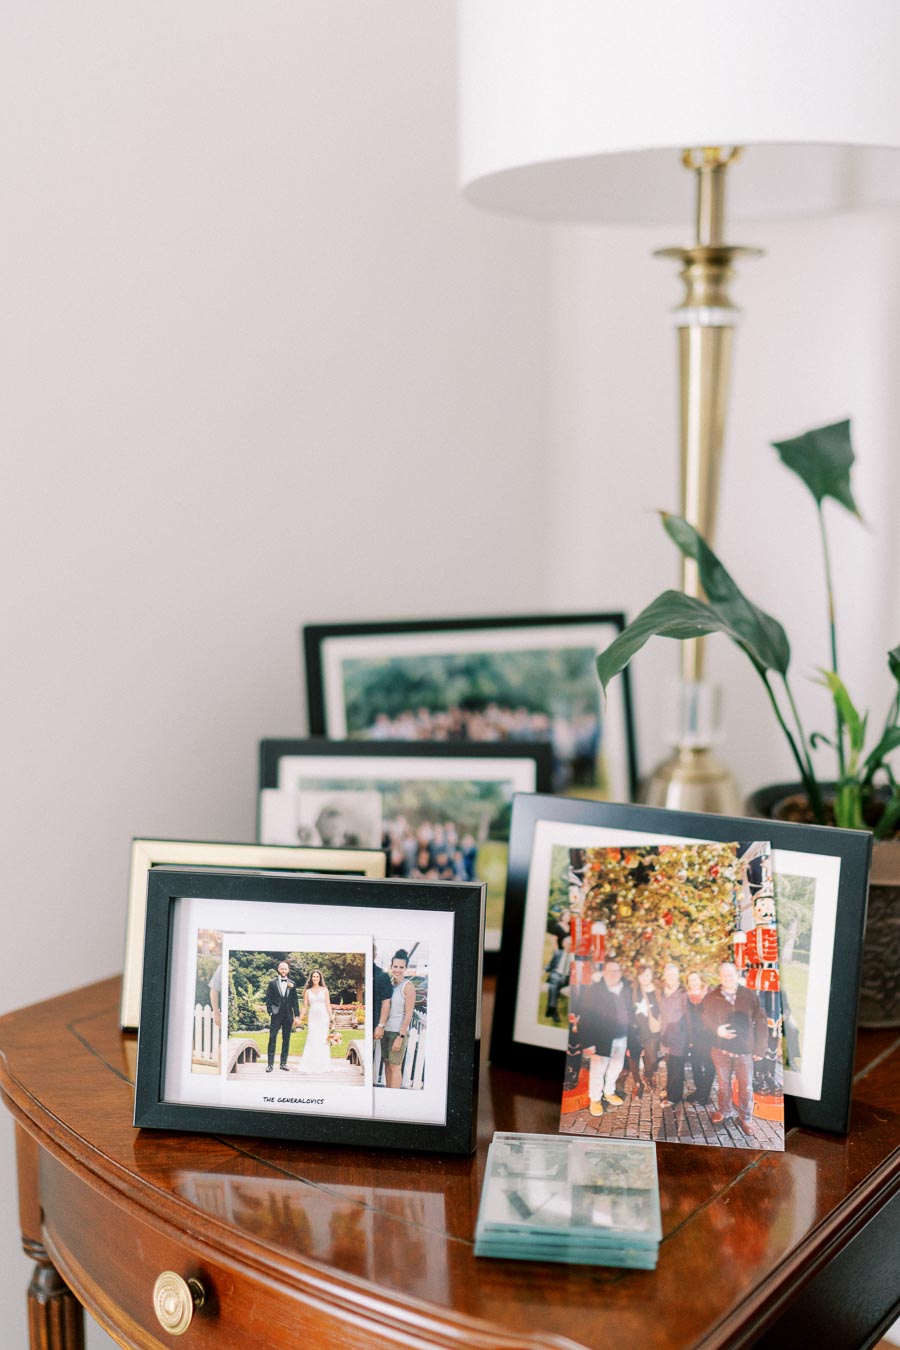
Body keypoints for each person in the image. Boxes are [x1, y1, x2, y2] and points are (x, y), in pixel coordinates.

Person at [704, 962, 768, 1135]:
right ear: (720, 977)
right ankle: (724, 1111)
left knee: (746, 1086)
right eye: (724, 975)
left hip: (744, 1050)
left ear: (737, 976)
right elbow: (705, 1019)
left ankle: (746, 1118)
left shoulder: (749, 995)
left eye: (730, 975)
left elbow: (761, 1021)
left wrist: (760, 1049)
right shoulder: (712, 996)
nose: (727, 978)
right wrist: (717, 1029)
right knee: (724, 1084)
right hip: (720, 1049)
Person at [576, 959, 632, 1117]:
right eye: (610, 971)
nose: (614, 974)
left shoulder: (625, 989)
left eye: (617, 971)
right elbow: (585, 1018)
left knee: (616, 1067)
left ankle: (609, 1091)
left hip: (622, 1037)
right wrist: (588, 1043)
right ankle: (595, 1099)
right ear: (604, 973)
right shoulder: (594, 991)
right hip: (602, 1040)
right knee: (598, 1070)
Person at [374, 949, 416, 1088]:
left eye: (401, 967)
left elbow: (408, 1014)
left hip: (397, 1033)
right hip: (386, 1031)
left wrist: (400, 1036)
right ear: (391, 966)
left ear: (406, 968)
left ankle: (395, 1098)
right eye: (395, 966)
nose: (397, 970)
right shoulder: (390, 985)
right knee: (387, 1064)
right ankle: (388, 1094)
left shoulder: (408, 987)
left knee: (395, 1067)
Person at [626, 965, 660, 1098]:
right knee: (634, 1056)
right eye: (642, 975)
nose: (644, 978)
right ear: (638, 977)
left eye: (647, 975)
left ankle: (648, 1075)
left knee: (652, 1057)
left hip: (652, 1031)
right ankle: (637, 1082)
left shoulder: (657, 990)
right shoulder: (633, 990)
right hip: (635, 1030)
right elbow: (628, 1009)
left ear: (651, 976)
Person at [658, 963, 689, 1107]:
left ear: (678, 976)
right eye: (668, 974)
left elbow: (688, 1016)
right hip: (665, 1034)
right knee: (670, 1064)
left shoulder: (683, 993)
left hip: (679, 1035)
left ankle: (673, 1097)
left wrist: (688, 1038)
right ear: (665, 976)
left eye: (673, 974)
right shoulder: (662, 991)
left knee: (677, 1066)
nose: (671, 977)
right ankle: (670, 1089)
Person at [685, 971, 715, 1106]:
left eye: (695, 979)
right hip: (694, 1036)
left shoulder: (710, 994)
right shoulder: (686, 997)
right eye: (690, 980)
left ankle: (705, 1095)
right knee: (695, 1064)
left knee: (709, 1065)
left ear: (701, 980)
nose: (693, 982)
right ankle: (700, 1091)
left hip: (709, 1036)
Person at [265, 961, 300, 1073]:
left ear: (288, 970)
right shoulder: (272, 983)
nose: (283, 971)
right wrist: (270, 1011)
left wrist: (297, 1015)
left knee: (286, 1039)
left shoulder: (292, 983)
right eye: (282, 969)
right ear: (278, 970)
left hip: (288, 1015)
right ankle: (270, 1065)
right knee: (272, 1038)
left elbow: (295, 1001)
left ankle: (283, 1063)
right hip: (276, 1015)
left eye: (285, 969)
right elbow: (268, 999)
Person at [298, 969, 336, 1074]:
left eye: (317, 977)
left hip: (324, 1018)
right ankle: (310, 1063)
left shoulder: (325, 990)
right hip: (313, 1018)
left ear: (320, 978)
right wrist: (300, 1018)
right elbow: (305, 1007)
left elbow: (328, 1004)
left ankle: (323, 1064)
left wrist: (331, 1018)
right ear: (311, 978)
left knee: (323, 1039)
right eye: (314, 976)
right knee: (312, 1038)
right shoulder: (307, 991)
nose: (315, 978)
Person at [545, 936, 572, 1023]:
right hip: (556, 974)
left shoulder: (574, 956)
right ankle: (554, 1011)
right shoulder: (558, 953)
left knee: (554, 985)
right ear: (563, 944)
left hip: (567, 978)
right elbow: (551, 965)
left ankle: (550, 1010)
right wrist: (545, 969)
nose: (569, 946)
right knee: (555, 979)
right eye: (568, 944)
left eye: (571, 944)